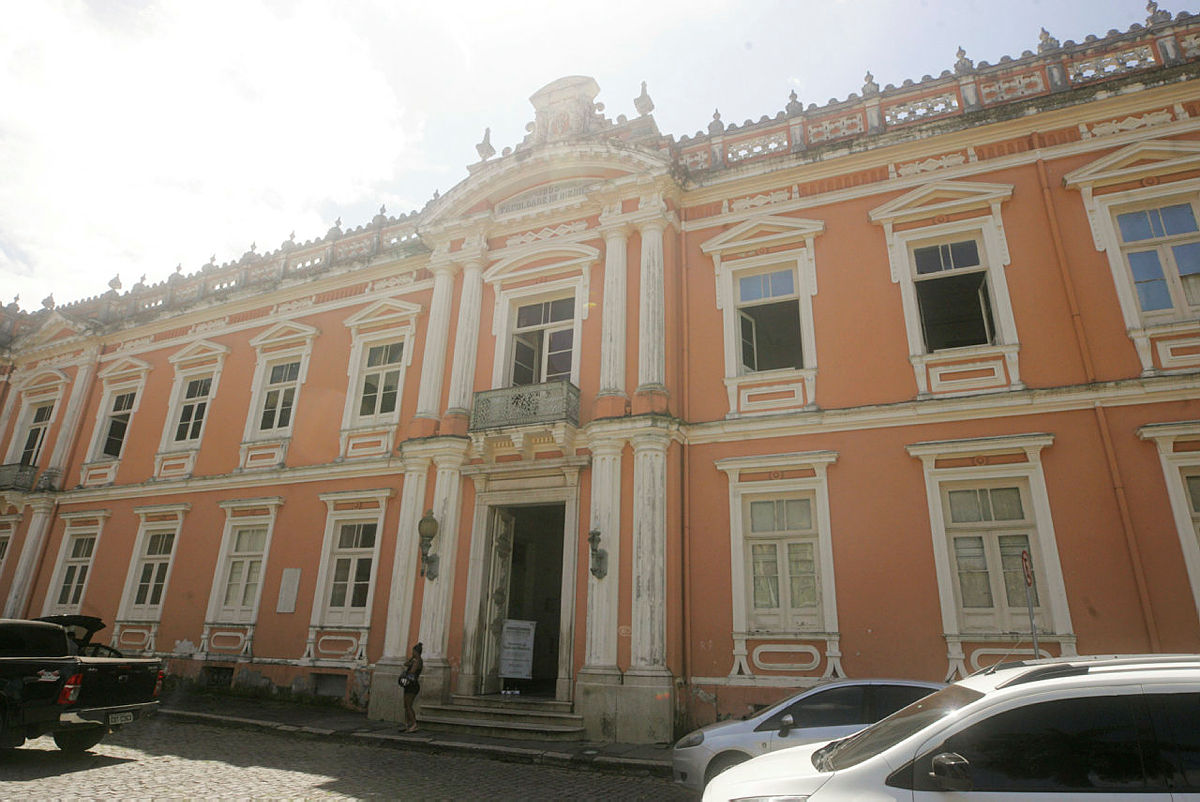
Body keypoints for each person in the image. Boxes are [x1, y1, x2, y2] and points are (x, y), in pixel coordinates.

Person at [401, 641, 423, 732]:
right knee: (406, 705)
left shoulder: (418, 661)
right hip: (409, 684)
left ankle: (414, 724)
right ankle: (407, 724)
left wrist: (410, 666)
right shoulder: (414, 660)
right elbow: (405, 664)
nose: (412, 653)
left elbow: (411, 672)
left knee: (409, 705)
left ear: (416, 652)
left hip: (413, 685)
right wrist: (411, 660)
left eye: (413, 652)